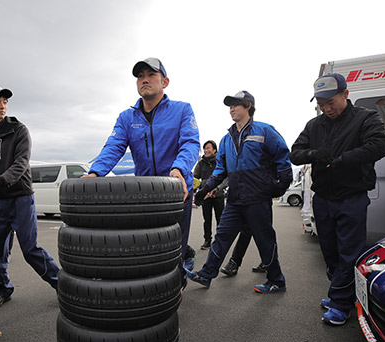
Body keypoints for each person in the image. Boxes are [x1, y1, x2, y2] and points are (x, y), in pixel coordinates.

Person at [290, 73, 385, 326]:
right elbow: (294, 153)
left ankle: (339, 302)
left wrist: (343, 158)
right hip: (323, 198)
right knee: (330, 251)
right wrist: (315, 153)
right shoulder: (315, 125)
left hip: (351, 197)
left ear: (346, 94)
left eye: (330, 102)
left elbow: (381, 144)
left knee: (350, 251)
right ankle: (343, 292)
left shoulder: (365, 118)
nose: (326, 108)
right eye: (321, 104)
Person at [85, 58, 200, 272]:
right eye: (140, 76)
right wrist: (95, 173)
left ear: (164, 82)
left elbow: (191, 143)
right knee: (148, 245)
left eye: (150, 75)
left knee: (175, 244)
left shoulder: (182, 110)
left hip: (177, 190)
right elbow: (114, 146)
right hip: (145, 194)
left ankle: (178, 280)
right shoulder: (127, 117)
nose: (144, 80)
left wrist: (178, 169)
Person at [0, 84, 60, 310]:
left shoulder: (19, 130)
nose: (2, 105)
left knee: (30, 249)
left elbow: (21, 164)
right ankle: (2, 289)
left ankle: (62, 284)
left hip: (21, 198)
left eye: (5, 101)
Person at [187, 91, 292, 293]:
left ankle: (277, 281)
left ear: (248, 107)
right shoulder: (226, 139)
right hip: (235, 199)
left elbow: (283, 159)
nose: (232, 109)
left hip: (257, 198)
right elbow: (220, 170)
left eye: (236, 104)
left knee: (264, 239)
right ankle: (207, 274)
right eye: (230, 105)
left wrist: (279, 187)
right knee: (222, 236)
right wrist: (204, 189)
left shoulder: (264, 131)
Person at [193, 140, 225, 249]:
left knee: (220, 218)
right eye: (205, 148)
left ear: (215, 150)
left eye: (208, 148)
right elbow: (195, 177)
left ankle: (220, 240)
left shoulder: (219, 161)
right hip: (205, 195)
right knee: (207, 219)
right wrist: (197, 187)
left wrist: (216, 189)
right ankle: (207, 240)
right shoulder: (201, 163)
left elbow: (225, 177)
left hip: (218, 194)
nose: (206, 150)